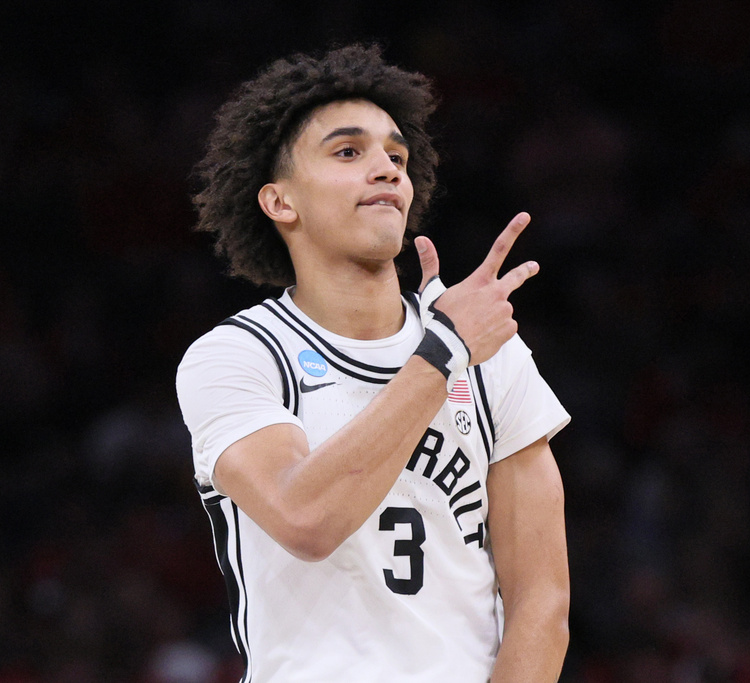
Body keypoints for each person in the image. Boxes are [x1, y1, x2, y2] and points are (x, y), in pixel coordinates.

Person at [175, 43, 571, 682]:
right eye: (348, 152)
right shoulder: (236, 357)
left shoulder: (492, 349)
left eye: (396, 155)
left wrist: (459, 343)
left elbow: (542, 604)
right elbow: (305, 520)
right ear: (280, 202)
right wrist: (444, 352)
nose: (386, 169)